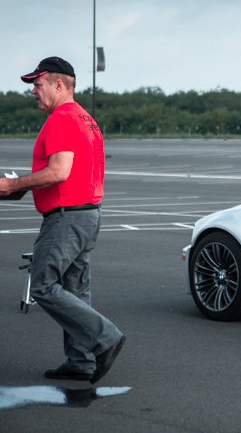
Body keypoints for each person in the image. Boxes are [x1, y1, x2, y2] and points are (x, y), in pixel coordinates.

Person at [0, 57, 125, 384]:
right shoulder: (87, 119)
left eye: (37, 84)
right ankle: (81, 361)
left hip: (66, 217)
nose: (33, 92)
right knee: (74, 288)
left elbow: (59, 172)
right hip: (87, 213)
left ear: (59, 84)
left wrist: (12, 185)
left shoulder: (61, 119)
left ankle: (105, 336)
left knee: (42, 285)